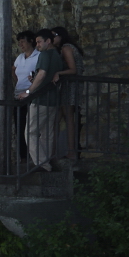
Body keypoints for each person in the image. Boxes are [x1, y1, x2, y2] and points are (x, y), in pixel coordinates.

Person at [19, 30, 64, 171]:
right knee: (46, 133)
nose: (37, 45)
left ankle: (42, 164)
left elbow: (43, 74)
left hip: (41, 99)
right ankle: (47, 161)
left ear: (48, 41)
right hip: (53, 99)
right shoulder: (57, 55)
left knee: (30, 132)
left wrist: (28, 91)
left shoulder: (45, 54)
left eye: (39, 42)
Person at [51, 26, 84, 158]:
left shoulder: (66, 48)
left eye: (54, 35)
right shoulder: (66, 48)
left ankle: (71, 151)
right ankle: (52, 152)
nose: (52, 38)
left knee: (68, 116)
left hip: (70, 86)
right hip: (69, 85)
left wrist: (58, 73)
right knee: (58, 118)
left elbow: (73, 69)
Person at [13, 31, 39, 164]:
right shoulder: (19, 57)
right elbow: (13, 70)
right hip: (19, 95)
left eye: (23, 41)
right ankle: (23, 156)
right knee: (20, 126)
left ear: (31, 41)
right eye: (19, 42)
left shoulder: (38, 56)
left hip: (33, 95)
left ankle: (35, 157)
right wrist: (19, 83)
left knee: (32, 127)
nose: (20, 44)